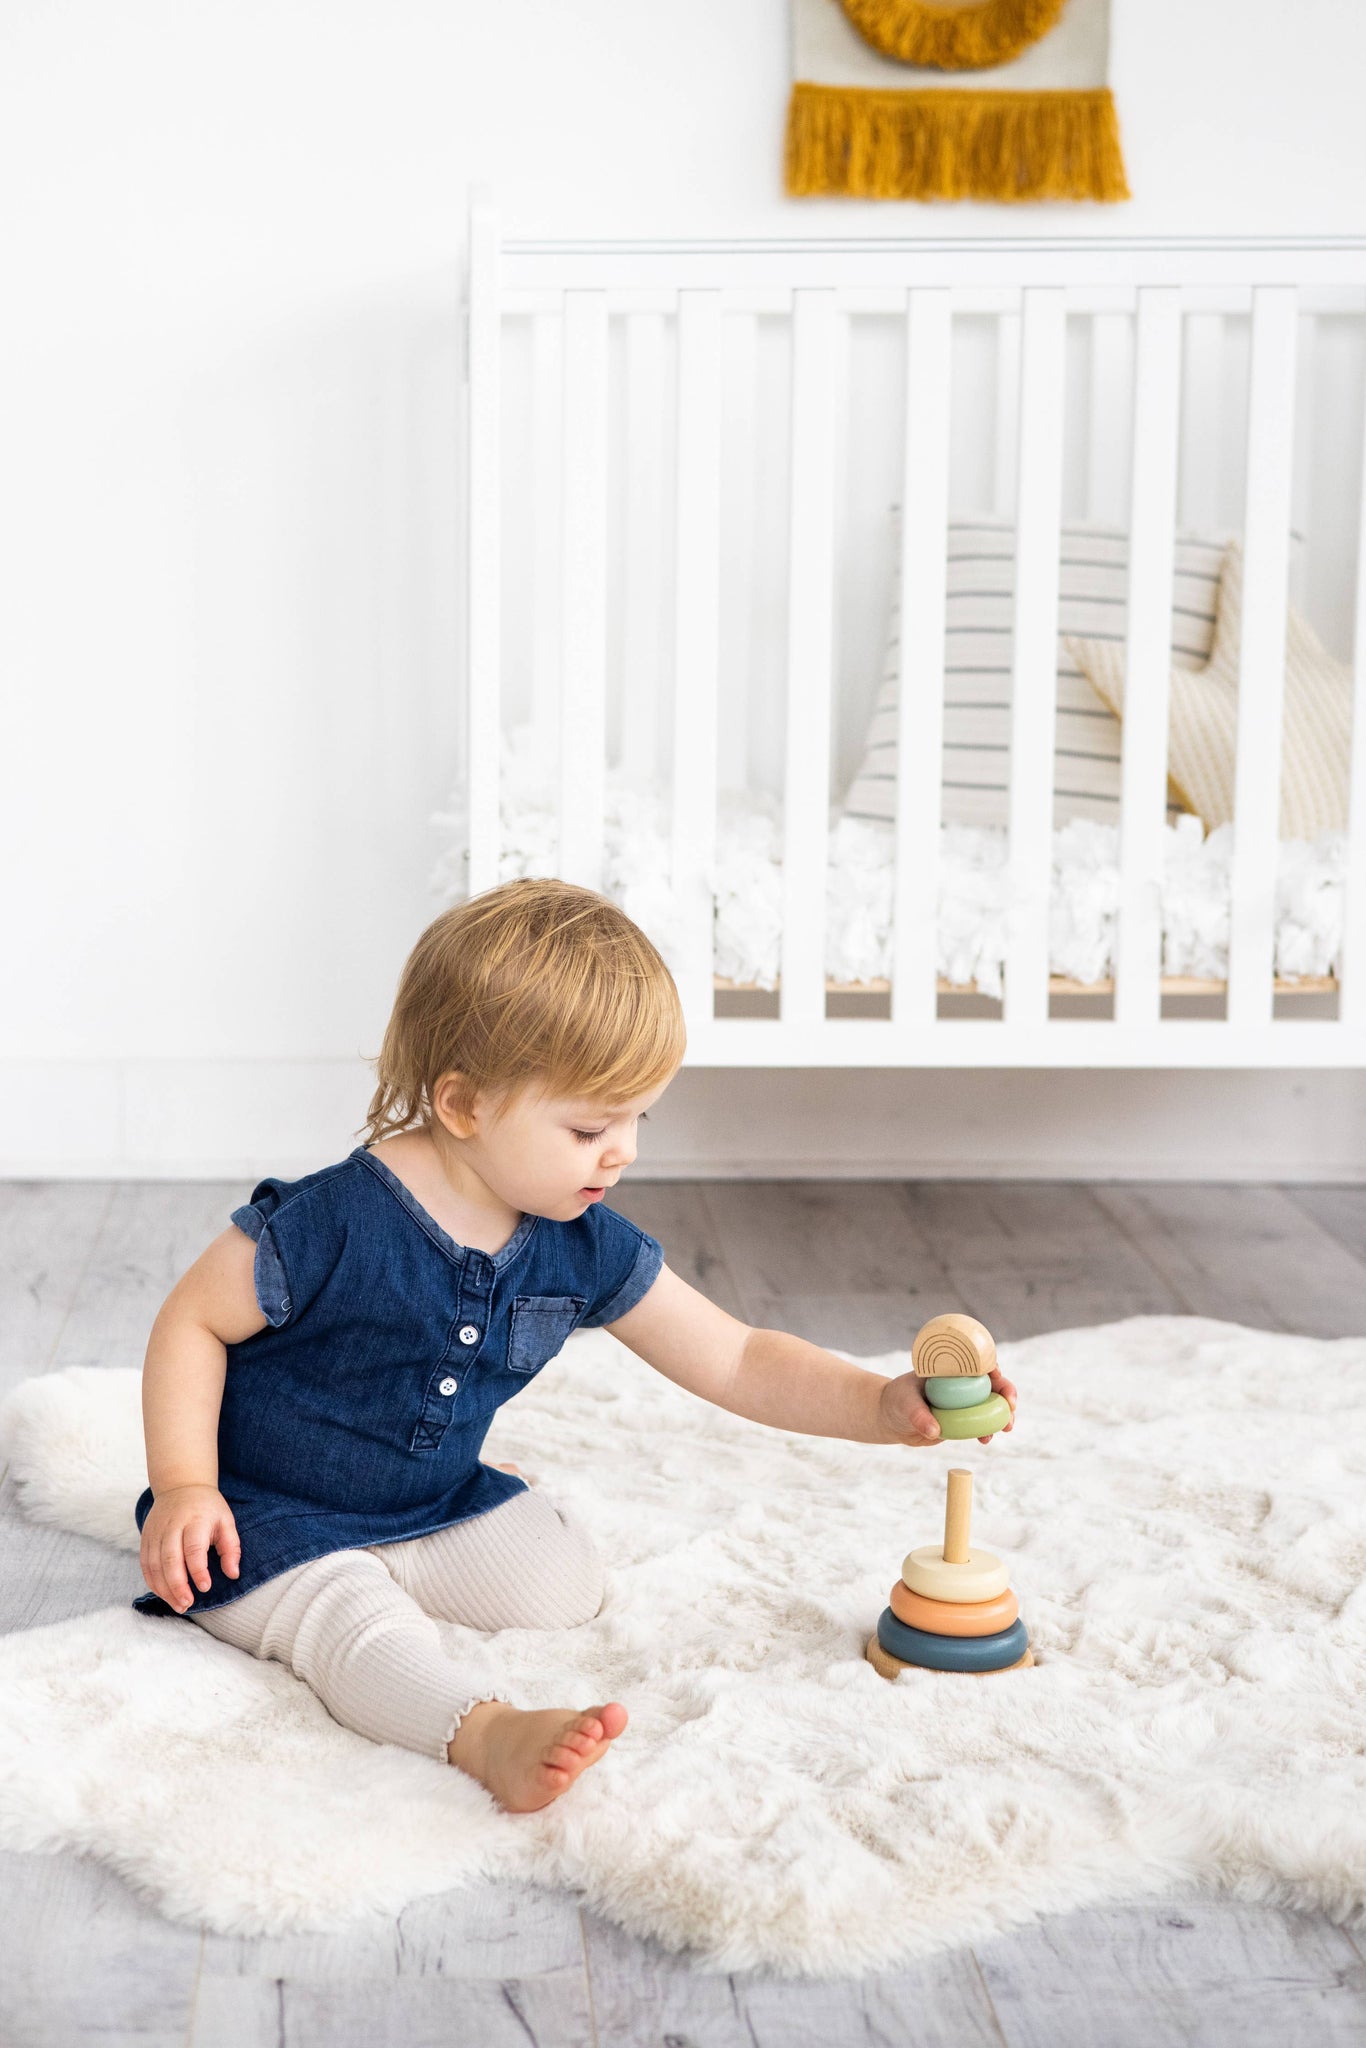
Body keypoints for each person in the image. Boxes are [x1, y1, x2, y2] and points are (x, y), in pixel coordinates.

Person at [136, 877, 1017, 1813]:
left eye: (640, 1120)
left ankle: (403, 1545)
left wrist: (880, 1405)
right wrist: (188, 1486)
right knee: (352, 1627)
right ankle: (484, 1732)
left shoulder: (578, 1237)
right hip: (265, 1510)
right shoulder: (332, 1221)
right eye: (592, 1127)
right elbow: (189, 1322)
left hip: (429, 1499)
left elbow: (737, 1356)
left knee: (564, 1581)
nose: (625, 1151)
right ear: (464, 1105)